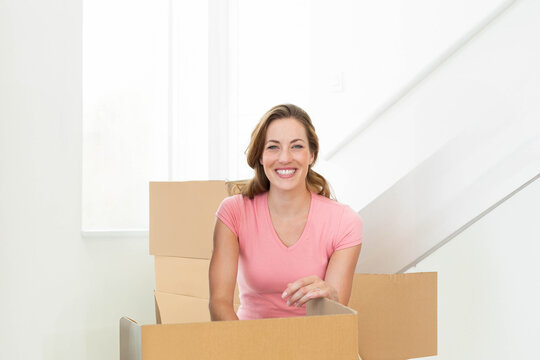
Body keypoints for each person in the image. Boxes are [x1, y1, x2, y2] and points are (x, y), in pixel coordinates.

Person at [209, 104, 362, 321]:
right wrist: (243, 349)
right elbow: (219, 303)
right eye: (273, 147)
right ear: (260, 156)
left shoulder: (344, 222)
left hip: (313, 345)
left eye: (296, 146)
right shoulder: (234, 212)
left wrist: (331, 296)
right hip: (247, 344)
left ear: (312, 155)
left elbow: (335, 318)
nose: (284, 158)